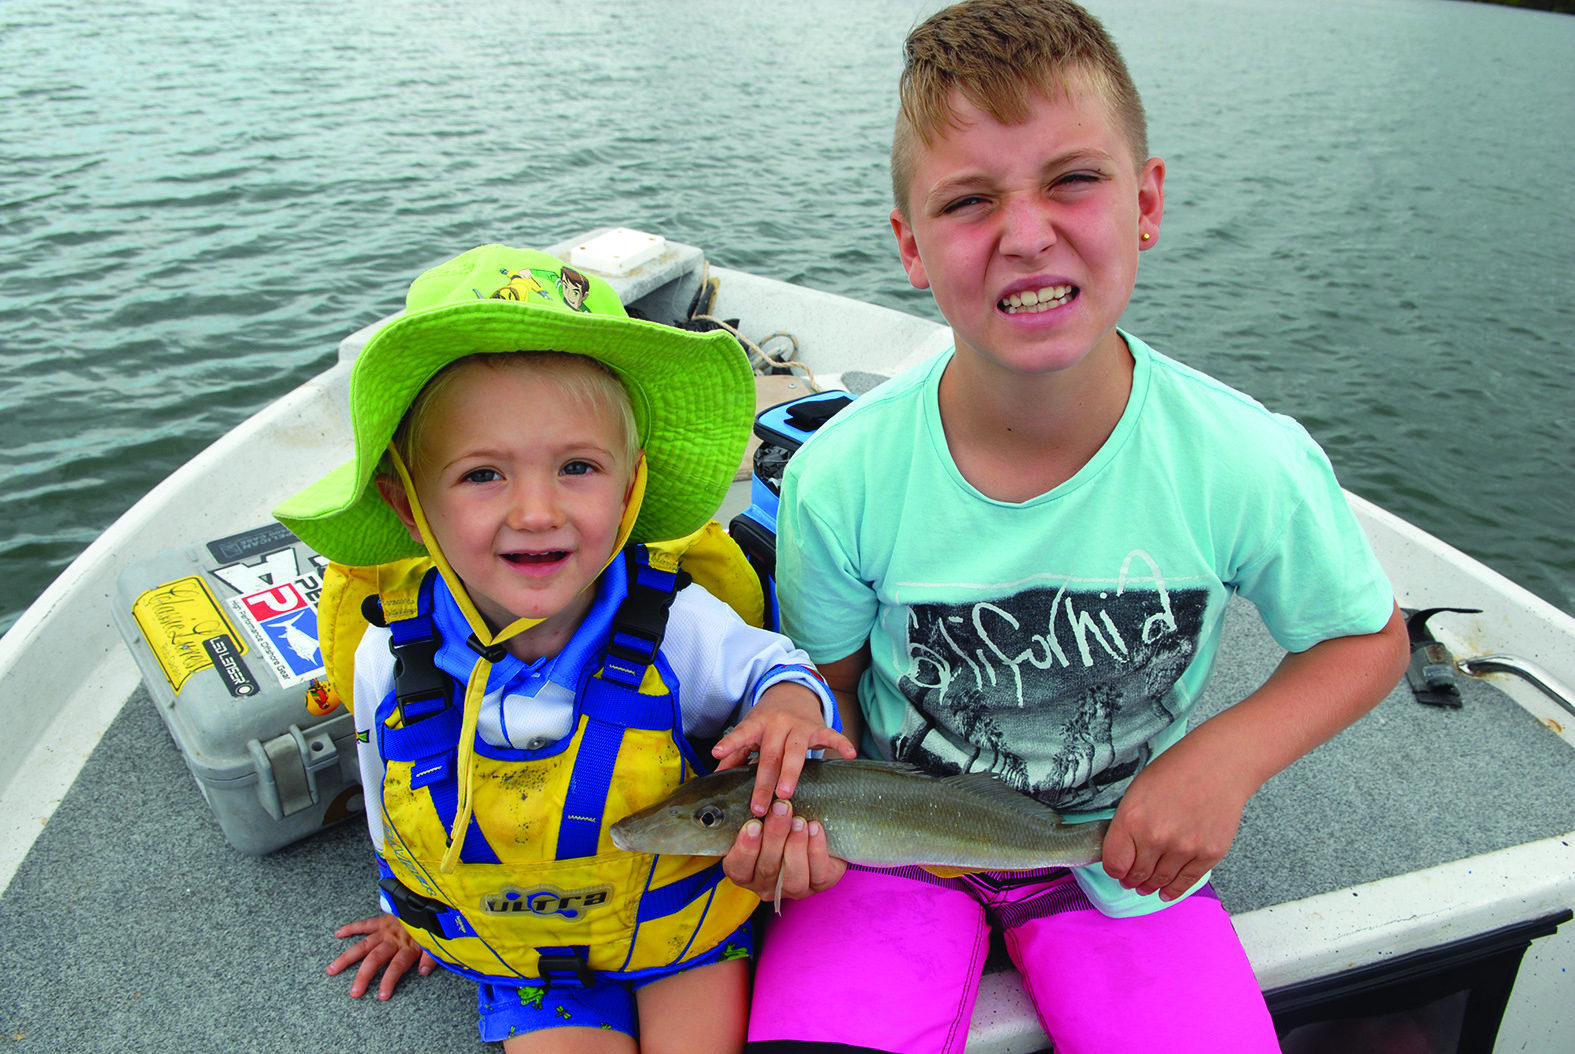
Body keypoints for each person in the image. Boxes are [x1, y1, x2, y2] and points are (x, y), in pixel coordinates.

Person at [723, 2, 1411, 1052]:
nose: (1028, 231)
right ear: (911, 245)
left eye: (1073, 179)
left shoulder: (1243, 459)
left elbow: (1368, 639)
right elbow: (837, 688)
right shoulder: (841, 476)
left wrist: (1221, 760)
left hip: (1125, 869)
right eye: (969, 199)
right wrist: (789, 785)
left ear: (1146, 202)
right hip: (891, 859)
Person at [273, 244, 853, 1053]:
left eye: (577, 467)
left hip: (677, 931)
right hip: (523, 961)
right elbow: (389, 794)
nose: (537, 511)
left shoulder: (676, 622)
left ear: (628, 492)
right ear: (410, 507)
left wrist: (790, 707)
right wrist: (409, 910)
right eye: (483, 475)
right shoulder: (387, 656)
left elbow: (771, 668)